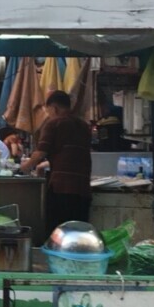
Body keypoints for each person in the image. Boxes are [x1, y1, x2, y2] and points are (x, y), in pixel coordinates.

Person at [18, 90, 92, 231]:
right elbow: (69, 154)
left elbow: (40, 153)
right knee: (79, 234)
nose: (48, 115)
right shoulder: (84, 126)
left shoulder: (54, 124)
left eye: (48, 111)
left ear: (54, 108)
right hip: (83, 189)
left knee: (58, 233)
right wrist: (42, 165)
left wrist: (23, 167)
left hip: (62, 188)